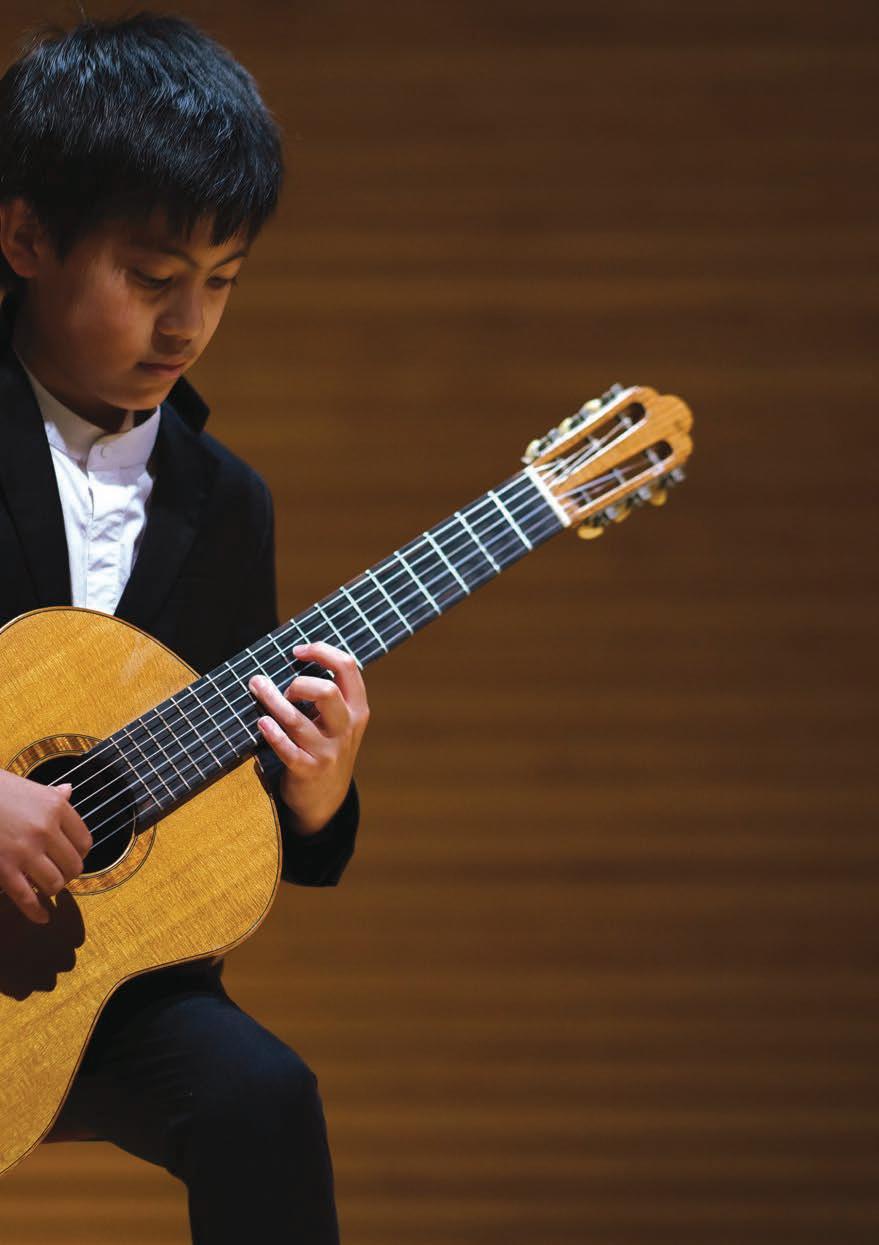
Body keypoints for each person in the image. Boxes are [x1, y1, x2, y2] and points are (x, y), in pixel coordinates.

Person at [0, 13, 369, 1243]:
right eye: (154, 280)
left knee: (265, 1100)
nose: (188, 326)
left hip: (92, 982)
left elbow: (224, 794)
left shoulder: (225, 504)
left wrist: (316, 795)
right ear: (25, 238)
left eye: (221, 283)